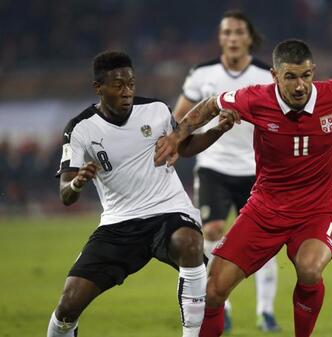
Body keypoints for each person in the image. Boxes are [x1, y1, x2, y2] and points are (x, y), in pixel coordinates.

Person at [156, 39, 332, 337]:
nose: (300, 85)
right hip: (266, 208)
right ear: (275, 76)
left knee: (309, 269)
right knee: (212, 291)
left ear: (313, 72)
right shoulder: (255, 99)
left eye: (306, 75)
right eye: (290, 77)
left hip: (318, 209)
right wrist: (177, 136)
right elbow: (212, 103)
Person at [46, 51, 233, 337]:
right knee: (67, 307)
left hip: (168, 211)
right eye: (118, 85)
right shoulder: (80, 129)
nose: (127, 92)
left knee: (190, 242)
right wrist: (78, 183)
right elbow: (65, 194)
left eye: (131, 84)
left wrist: (219, 129)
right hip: (119, 224)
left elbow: (184, 147)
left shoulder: (156, 110)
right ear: (99, 88)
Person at [172, 10, 280, 332]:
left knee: (264, 240)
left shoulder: (264, 75)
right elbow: (180, 119)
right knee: (213, 232)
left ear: (249, 38)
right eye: (227, 33)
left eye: (238, 33)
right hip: (214, 167)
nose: (232, 38)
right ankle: (223, 306)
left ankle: (265, 311)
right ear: (220, 38)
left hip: (257, 169)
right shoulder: (201, 73)